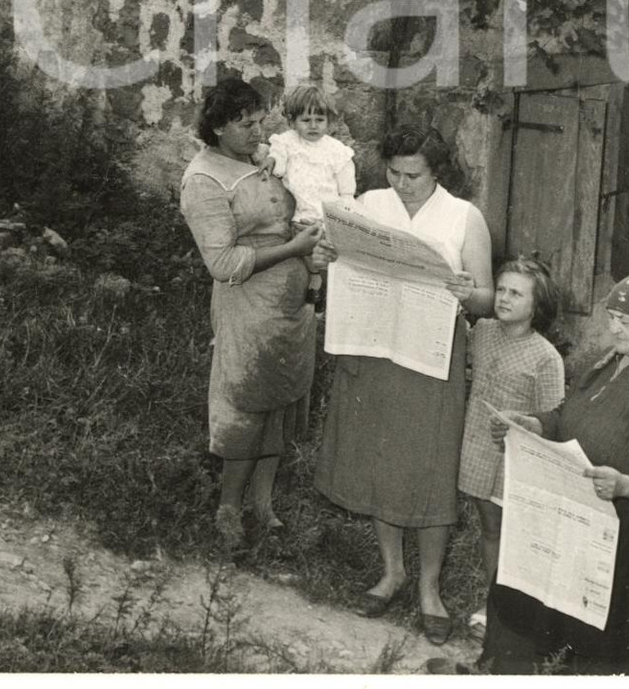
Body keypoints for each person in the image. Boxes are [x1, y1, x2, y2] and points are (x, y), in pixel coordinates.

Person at [312, 125, 494, 645]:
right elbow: (339, 259)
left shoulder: (465, 217)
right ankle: (392, 571)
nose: (402, 183)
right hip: (375, 347)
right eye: (394, 172)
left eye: (413, 174)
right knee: (381, 459)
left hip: (430, 355)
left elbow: (483, 299)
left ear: (438, 171)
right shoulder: (369, 203)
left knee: (428, 466)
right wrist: (325, 259)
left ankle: (429, 589)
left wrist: (467, 291)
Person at [479, 273, 629, 674]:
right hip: (568, 511)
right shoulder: (608, 362)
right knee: (526, 597)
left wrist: (624, 484)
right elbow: (570, 414)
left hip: (622, 535)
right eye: (612, 316)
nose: (613, 327)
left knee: (591, 641)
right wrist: (536, 424)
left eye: (625, 321)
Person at [180, 76, 322, 546]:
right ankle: (228, 509)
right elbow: (222, 264)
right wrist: (292, 250)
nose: (259, 133)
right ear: (218, 128)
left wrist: (308, 254)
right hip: (247, 307)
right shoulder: (204, 179)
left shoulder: (257, 161)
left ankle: (262, 505)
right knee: (246, 406)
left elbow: (285, 220)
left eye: (261, 122)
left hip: (288, 306)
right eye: (246, 125)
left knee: (278, 405)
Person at [458, 257, 565, 635]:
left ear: (537, 306)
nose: (503, 298)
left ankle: (513, 614)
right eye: (501, 289)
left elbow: (554, 419)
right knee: (489, 529)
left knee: (516, 535)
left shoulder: (546, 357)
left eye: (516, 294)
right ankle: (494, 601)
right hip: (478, 451)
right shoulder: (482, 332)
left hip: (517, 462)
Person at [256, 84, 356, 303]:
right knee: (304, 245)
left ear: (329, 122)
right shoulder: (289, 142)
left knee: (326, 251)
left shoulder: (336, 150)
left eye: (319, 120)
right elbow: (279, 157)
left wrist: (345, 213)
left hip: (328, 211)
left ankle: (327, 286)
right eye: (305, 120)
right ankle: (313, 279)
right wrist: (273, 160)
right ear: (292, 122)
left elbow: (347, 189)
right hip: (301, 210)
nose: (313, 126)